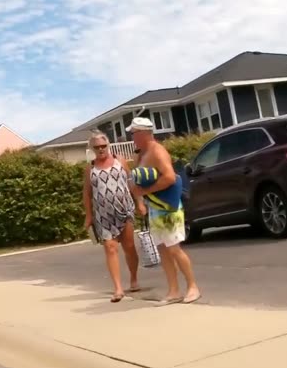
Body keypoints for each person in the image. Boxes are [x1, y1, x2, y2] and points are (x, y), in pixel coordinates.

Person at [126, 117, 201, 304]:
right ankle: (173, 290)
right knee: (163, 249)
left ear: (143, 133)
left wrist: (144, 191)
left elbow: (170, 178)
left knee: (174, 248)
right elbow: (137, 182)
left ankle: (193, 286)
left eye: (133, 133)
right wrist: (140, 200)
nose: (132, 137)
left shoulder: (158, 152)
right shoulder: (140, 155)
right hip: (155, 209)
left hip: (169, 207)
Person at [81, 131, 145, 302]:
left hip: (125, 210)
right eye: (97, 147)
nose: (101, 149)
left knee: (129, 247)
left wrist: (139, 202)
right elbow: (87, 194)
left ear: (108, 146)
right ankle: (118, 288)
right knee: (110, 248)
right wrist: (88, 216)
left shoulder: (120, 161)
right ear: (92, 149)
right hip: (103, 215)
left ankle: (133, 278)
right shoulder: (90, 168)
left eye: (103, 146)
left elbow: (131, 182)